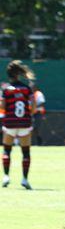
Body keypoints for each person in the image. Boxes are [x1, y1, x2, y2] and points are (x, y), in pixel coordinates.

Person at [2, 60, 34, 189]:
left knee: (6, 150)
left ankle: (6, 177)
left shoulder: (6, 90)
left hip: (10, 123)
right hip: (24, 123)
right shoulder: (27, 89)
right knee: (25, 153)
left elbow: (3, 107)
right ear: (19, 74)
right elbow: (33, 107)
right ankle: (25, 179)